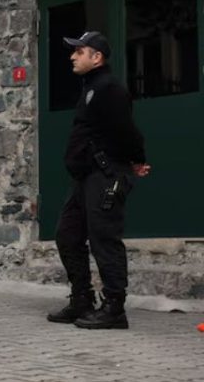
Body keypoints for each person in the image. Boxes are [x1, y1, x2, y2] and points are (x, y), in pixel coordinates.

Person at [47, 31, 150, 329]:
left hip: (105, 175)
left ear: (97, 57)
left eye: (80, 52)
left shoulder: (109, 88)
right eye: (74, 51)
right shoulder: (91, 87)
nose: (72, 56)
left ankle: (114, 308)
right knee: (67, 235)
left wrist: (136, 160)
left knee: (104, 239)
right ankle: (82, 299)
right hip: (85, 178)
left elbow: (128, 131)